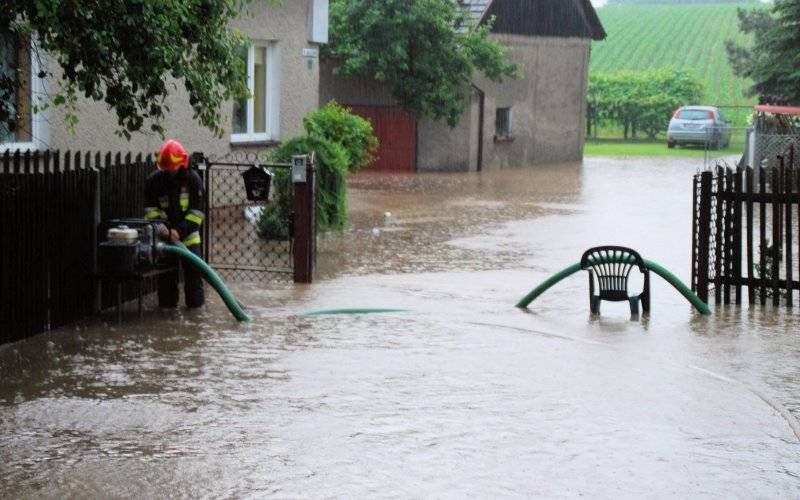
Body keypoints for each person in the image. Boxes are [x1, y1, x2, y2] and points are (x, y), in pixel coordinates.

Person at [144, 140, 205, 308]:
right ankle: (167, 314)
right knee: (166, 281)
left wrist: (178, 232)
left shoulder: (193, 180)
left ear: (181, 163)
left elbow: (197, 213)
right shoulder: (154, 181)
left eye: (172, 167)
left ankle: (195, 318)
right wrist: (161, 228)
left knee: (193, 280)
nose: (169, 171)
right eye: (166, 168)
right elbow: (151, 210)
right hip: (164, 240)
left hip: (189, 240)